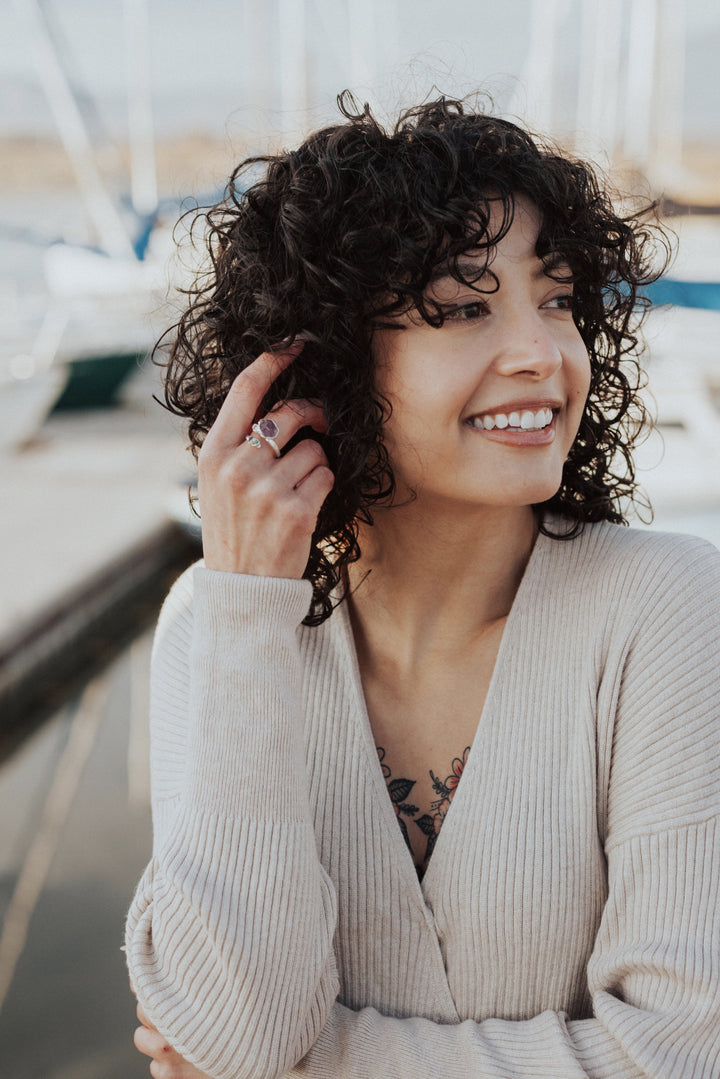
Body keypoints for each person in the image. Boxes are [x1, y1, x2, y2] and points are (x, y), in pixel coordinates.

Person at [126, 93, 720, 1079]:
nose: (543, 351)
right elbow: (241, 1030)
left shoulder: (668, 611)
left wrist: (327, 1063)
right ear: (324, 358)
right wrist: (244, 605)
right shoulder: (213, 624)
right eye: (465, 305)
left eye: (561, 296)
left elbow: (685, 1052)